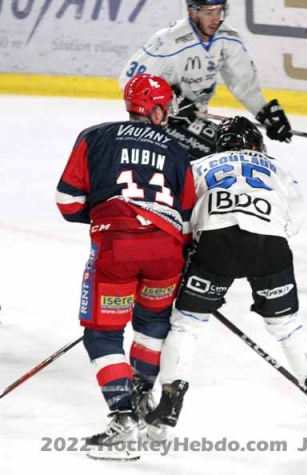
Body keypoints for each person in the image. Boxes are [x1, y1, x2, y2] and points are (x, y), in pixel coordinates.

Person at [144, 116, 307, 433]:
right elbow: (294, 221)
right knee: (287, 325)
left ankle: (170, 401)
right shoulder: (277, 167)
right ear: (257, 144)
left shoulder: (200, 165)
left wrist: (195, 247)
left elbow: (182, 217)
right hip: (270, 246)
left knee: (187, 325)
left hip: (216, 245)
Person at [56, 74, 196, 460]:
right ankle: (142, 401)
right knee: (152, 326)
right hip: (167, 253)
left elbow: (67, 202)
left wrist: (104, 214)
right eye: (164, 108)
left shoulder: (94, 137)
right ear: (155, 109)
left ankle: (123, 420)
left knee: (102, 335)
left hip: (117, 249)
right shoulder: (178, 149)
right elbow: (186, 220)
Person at [119, 0, 292, 161]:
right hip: (161, 122)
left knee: (246, 151)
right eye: (209, 12)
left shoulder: (228, 39)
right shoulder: (169, 40)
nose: (216, 19)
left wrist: (265, 113)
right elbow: (130, 81)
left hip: (193, 119)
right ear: (192, 11)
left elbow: (243, 84)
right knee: (223, 157)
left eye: (220, 11)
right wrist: (172, 100)